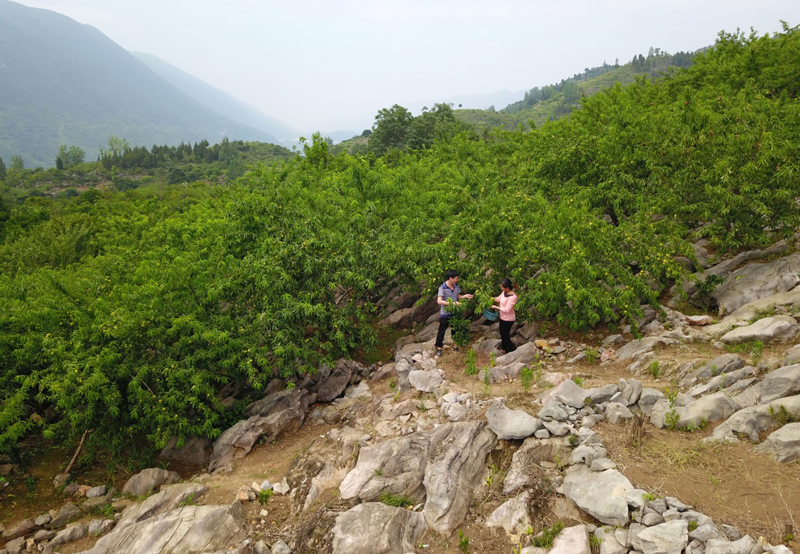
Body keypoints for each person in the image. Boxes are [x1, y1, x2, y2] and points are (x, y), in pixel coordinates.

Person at [435, 269, 473, 357]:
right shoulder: (442, 287)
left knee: (455, 330)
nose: (457, 280)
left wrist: (465, 296)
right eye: (456, 278)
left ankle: (455, 346)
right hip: (445, 313)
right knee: (442, 331)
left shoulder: (456, 286)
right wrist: (452, 303)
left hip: (455, 312)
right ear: (450, 278)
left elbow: (458, 296)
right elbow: (439, 301)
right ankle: (439, 348)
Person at [491, 278, 518, 355]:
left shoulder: (513, 297)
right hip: (503, 318)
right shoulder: (504, 292)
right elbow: (498, 299)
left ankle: (509, 351)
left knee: (505, 335)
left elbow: (507, 309)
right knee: (502, 333)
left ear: (507, 288)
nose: (501, 288)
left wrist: (496, 307)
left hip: (509, 319)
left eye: (502, 287)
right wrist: (490, 299)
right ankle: (503, 349)